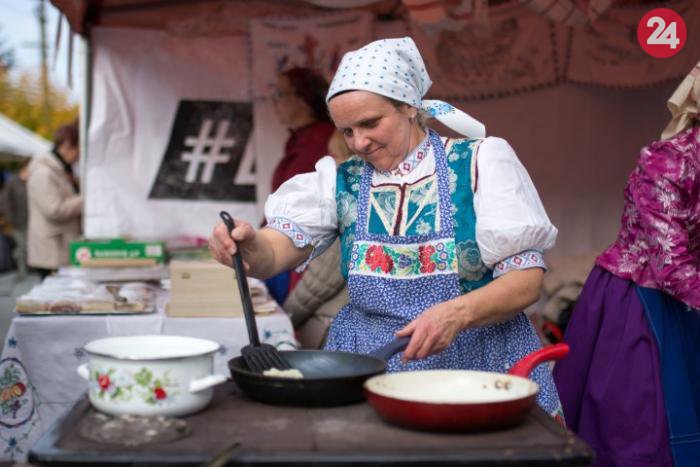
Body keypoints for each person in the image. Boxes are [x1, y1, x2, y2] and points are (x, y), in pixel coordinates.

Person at [210, 37, 562, 416]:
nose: (359, 143)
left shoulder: (480, 163)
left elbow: (525, 282)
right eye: (346, 131)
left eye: (369, 123)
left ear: (409, 106)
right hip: (369, 364)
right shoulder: (339, 180)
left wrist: (457, 314)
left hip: (475, 364)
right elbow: (274, 252)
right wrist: (248, 246)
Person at [553, 63, 700, 467]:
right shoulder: (667, 162)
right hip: (640, 305)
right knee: (640, 433)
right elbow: (671, 263)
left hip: (690, 305)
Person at [265, 67, 337, 304]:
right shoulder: (299, 138)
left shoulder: (321, 141)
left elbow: (306, 209)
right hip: (285, 246)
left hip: (300, 254)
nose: (274, 102)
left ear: (303, 98)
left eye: (280, 94)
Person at [27, 120, 82, 279]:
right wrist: (84, 200)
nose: (79, 154)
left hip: (58, 248)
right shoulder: (44, 172)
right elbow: (54, 210)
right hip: (52, 253)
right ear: (67, 145)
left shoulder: (57, 170)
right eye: (78, 148)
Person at [0, 159, 29, 278]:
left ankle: (24, 267)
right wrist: (11, 218)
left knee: (25, 246)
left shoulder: (30, 181)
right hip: (17, 221)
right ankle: (22, 270)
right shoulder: (12, 182)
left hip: (30, 221)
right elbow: (4, 202)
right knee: (22, 246)